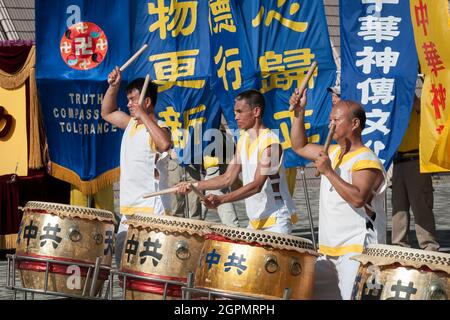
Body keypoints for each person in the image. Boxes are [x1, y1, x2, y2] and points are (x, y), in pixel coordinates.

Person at [289, 89, 387, 300]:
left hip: (356, 247)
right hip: (328, 246)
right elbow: (300, 145)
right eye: (330, 119)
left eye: (336, 120)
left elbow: (358, 198)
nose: (330, 124)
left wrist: (329, 171)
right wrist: (299, 112)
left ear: (354, 124)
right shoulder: (332, 152)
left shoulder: (366, 159)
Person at [176, 89, 297, 234]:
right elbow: (228, 178)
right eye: (235, 112)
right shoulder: (243, 139)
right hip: (255, 220)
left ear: (256, 112)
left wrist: (222, 199)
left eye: (240, 112)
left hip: (277, 220)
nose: (236, 117)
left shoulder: (271, 144)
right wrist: (194, 185)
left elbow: (257, 186)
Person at [101, 67, 172, 266]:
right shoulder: (132, 123)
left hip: (151, 209)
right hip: (129, 208)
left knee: (149, 267)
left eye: (133, 99)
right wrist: (114, 87)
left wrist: (144, 115)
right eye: (129, 99)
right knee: (124, 263)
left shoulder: (158, 127)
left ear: (146, 101)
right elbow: (107, 112)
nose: (129, 104)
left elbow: (164, 143)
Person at [391, 95, 440, 251]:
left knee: (421, 207)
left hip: (416, 160)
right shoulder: (392, 107)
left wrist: (408, 85)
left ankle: (429, 247)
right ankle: (399, 248)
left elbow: (419, 105)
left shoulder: (418, 104)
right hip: (397, 163)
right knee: (398, 208)